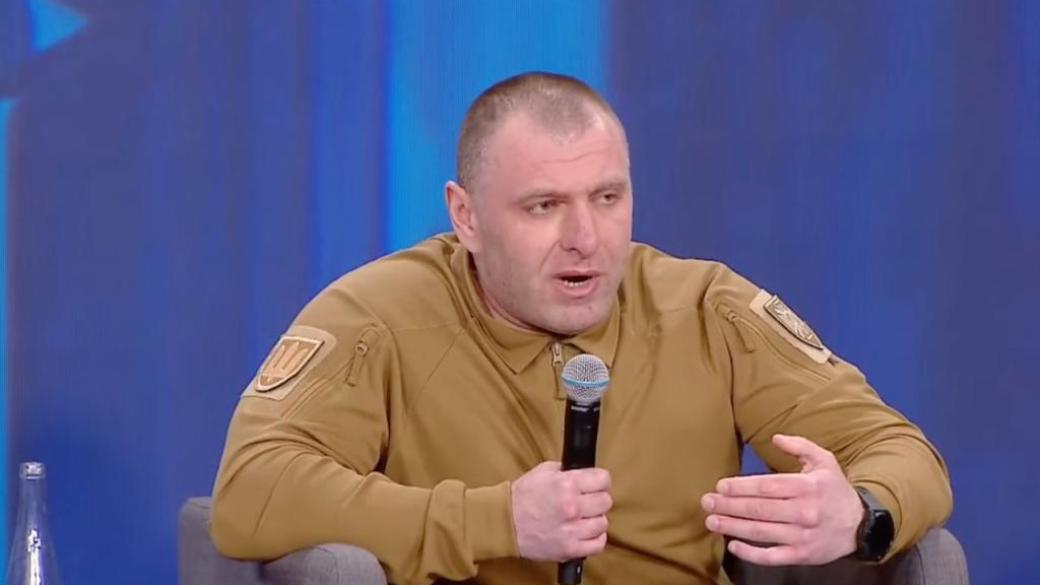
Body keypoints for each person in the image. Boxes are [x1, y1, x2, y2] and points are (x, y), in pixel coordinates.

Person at [211, 72, 952, 585]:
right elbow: (253, 489)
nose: (585, 239)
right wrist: (494, 519)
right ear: (465, 216)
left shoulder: (707, 309)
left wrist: (863, 513)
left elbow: (901, 451)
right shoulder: (376, 316)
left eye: (607, 197)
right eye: (544, 206)